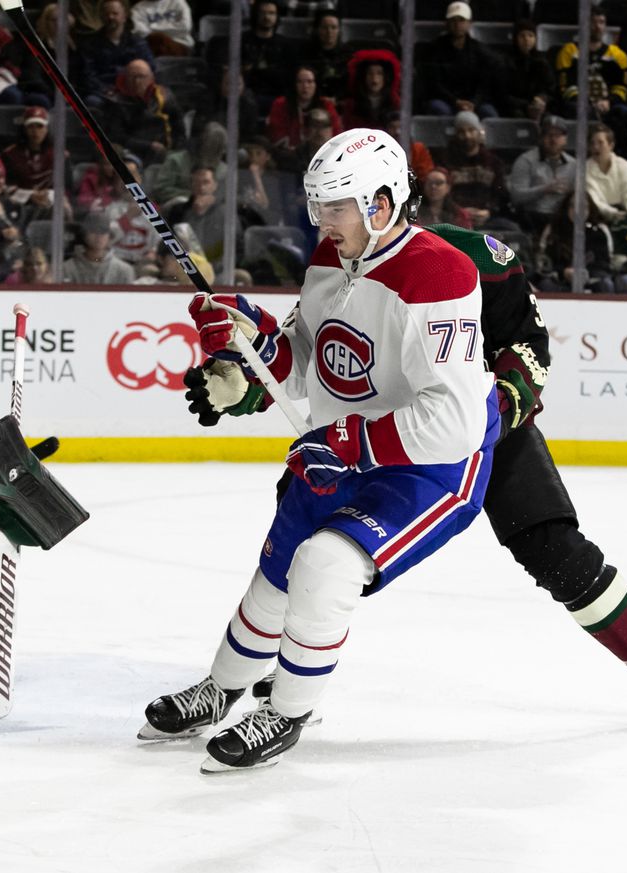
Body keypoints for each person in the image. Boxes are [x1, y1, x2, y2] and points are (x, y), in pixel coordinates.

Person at [178, 174, 627, 749]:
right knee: (305, 533)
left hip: (479, 428)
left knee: (554, 549)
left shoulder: (477, 259)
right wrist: (246, 386)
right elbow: (320, 353)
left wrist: (483, 417)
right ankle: (289, 678)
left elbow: (528, 348)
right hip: (378, 429)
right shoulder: (346, 256)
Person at [139, 129, 501, 772]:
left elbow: (452, 421)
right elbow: (310, 365)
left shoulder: (439, 274)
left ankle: (286, 711)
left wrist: (346, 441)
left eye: (335, 207)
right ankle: (221, 689)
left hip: (433, 464)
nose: (321, 221)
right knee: (277, 567)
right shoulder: (333, 256)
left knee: (326, 565)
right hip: (346, 444)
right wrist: (248, 330)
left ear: (382, 204)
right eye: (317, 207)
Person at [554, 6, 627, 148]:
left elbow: (622, 87)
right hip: (580, 103)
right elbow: (565, 86)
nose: (597, 27)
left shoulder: (617, 54)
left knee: (623, 112)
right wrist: (587, 102)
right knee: (574, 108)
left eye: (601, 22)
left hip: (608, 105)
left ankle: (619, 154)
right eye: (593, 22)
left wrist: (609, 101)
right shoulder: (569, 51)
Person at [416, 2, 499, 119]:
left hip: (474, 102)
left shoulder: (481, 51)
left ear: (469, 23)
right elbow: (434, 83)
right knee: (438, 108)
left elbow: (484, 84)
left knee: (489, 113)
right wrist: (455, 101)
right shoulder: (434, 49)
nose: (457, 24)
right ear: (447, 23)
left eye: (461, 20)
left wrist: (474, 102)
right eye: (453, 20)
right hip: (446, 101)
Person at [95, 58, 184, 166]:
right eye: (132, 77)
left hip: (164, 150)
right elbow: (116, 136)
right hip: (131, 153)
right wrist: (148, 145)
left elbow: (178, 126)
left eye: (141, 77)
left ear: (151, 78)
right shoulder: (115, 102)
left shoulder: (164, 96)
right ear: (125, 78)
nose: (137, 81)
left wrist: (176, 147)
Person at [438, 111, 514, 230]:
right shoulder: (445, 160)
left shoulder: (494, 162)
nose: (467, 135)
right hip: (454, 219)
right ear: (456, 134)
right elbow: (440, 194)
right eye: (462, 132)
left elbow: (501, 194)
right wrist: (459, 212)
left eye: (471, 130)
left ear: (479, 132)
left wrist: (489, 211)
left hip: (488, 218)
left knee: (511, 229)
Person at [535, 192, 616, 293]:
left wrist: (587, 273)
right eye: (573, 206)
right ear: (566, 208)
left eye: (583, 206)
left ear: (590, 209)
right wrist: (563, 272)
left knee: (606, 284)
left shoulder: (599, 230)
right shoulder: (554, 229)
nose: (577, 210)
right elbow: (545, 262)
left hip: (592, 279)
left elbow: (605, 263)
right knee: (546, 284)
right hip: (560, 280)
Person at [79, 0, 155, 106]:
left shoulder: (137, 42)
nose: (110, 17)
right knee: (92, 102)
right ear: (101, 17)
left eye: (115, 13)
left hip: (133, 89)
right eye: (107, 14)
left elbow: (150, 66)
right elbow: (88, 74)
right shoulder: (90, 45)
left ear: (124, 16)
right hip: (104, 93)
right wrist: (104, 90)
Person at [267, 66, 344, 171]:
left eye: (309, 82)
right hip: (291, 158)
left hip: (321, 156)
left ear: (316, 84)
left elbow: (336, 133)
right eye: (300, 82)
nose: (305, 86)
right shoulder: (281, 104)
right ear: (294, 84)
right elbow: (277, 135)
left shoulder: (326, 105)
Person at [508, 115, 576, 231]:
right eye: (549, 135)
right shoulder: (525, 160)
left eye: (558, 135)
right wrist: (544, 189)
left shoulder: (574, 164)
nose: (553, 140)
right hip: (533, 216)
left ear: (565, 139)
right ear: (541, 137)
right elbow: (516, 196)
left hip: (563, 218)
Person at [498, 19, 556, 121]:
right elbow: (503, 94)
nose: (526, 39)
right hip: (514, 108)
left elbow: (550, 89)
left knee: (549, 120)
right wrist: (526, 105)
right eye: (522, 36)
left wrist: (541, 99)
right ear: (516, 39)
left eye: (530, 35)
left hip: (538, 107)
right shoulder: (505, 61)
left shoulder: (542, 61)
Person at [61, 211, 136, 285]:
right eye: (94, 230)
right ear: (84, 235)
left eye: (103, 231)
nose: (99, 235)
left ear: (109, 236)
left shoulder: (124, 270)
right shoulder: (66, 268)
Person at [585, 122, 627, 222]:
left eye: (600, 143)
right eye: (592, 143)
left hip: (626, 214)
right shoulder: (584, 169)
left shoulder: (624, 166)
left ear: (611, 145)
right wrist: (615, 214)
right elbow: (593, 200)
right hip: (597, 217)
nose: (596, 147)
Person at [300, 10, 351, 102]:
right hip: (311, 101)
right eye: (324, 27)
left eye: (333, 27)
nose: (329, 32)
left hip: (339, 101)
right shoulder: (305, 53)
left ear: (339, 30)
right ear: (317, 30)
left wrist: (336, 99)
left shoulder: (348, 55)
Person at [129, 0, 194, 57]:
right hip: (151, 46)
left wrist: (152, 27)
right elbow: (141, 32)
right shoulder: (137, 8)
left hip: (181, 44)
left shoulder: (178, 2)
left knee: (159, 39)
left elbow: (185, 28)